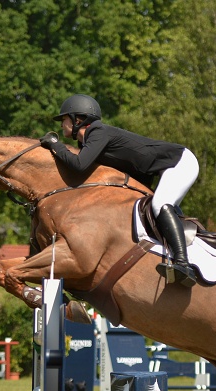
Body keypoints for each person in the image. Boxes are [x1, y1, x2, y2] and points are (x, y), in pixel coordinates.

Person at [40, 93, 200, 287]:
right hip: (161, 171)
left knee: (160, 205)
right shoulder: (89, 141)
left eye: (64, 119)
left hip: (180, 162)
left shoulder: (97, 132)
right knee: (149, 211)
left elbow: (79, 165)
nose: (61, 124)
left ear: (78, 120)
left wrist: (55, 145)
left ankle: (183, 264)